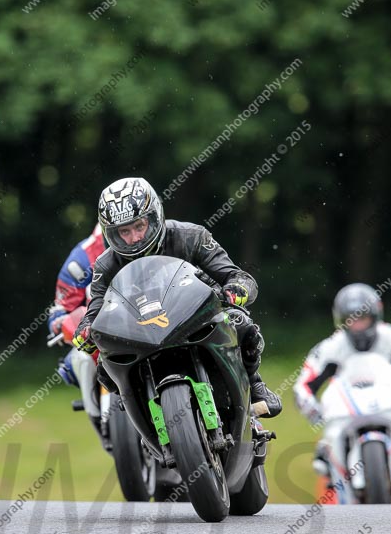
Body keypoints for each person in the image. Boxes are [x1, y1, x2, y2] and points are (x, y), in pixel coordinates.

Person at [72, 177, 282, 417]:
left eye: (139, 226)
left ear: (154, 216)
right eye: (124, 231)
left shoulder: (192, 236)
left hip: (199, 317)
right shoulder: (105, 264)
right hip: (142, 333)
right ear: (111, 233)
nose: (135, 238)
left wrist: (236, 289)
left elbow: (238, 276)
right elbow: (96, 308)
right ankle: (134, 406)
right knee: (105, 368)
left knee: (240, 323)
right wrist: (86, 329)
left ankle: (254, 384)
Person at [293, 282, 391, 474]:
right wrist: (314, 411)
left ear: (374, 316)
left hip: (389, 404)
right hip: (347, 412)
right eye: (351, 320)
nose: (357, 326)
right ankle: (332, 465)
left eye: (362, 318)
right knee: (322, 457)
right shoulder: (330, 347)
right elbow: (303, 385)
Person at [48, 223, 106, 432]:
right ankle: (98, 419)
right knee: (78, 360)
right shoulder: (81, 259)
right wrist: (63, 323)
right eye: (122, 230)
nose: (130, 236)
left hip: (154, 325)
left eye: (136, 227)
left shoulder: (159, 239)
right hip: (101, 340)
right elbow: (60, 310)